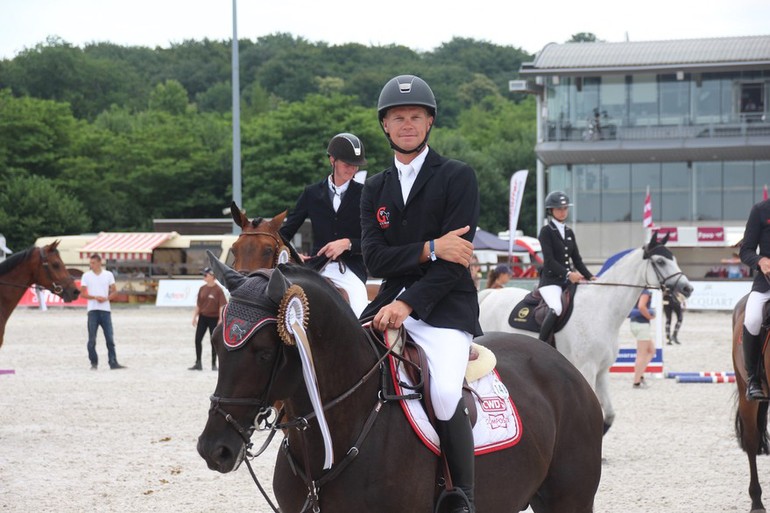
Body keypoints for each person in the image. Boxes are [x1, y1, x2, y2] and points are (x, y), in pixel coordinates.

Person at [360, 74, 480, 513]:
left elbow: (455, 263)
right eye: (397, 117)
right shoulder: (374, 187)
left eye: (415, 116)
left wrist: (408, 301)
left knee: (445, 393)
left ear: (429, 123)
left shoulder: (457, 177)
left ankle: (462, 496)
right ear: (385, 126)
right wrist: (431, 247)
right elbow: (374, 259)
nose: (406, 123)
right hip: (387, 304)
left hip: (446, 309)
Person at [280, 133, 369, 318]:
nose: (352, 169)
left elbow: (375, 239)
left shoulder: (367, 194)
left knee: (361, 314)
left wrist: (348, 244)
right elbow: (285, 233)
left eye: (355, 165)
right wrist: (292, 254)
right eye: (347, 164)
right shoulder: (311, 193)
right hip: (316, 266)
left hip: (350, 268)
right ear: (332, 160)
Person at [536, 191, 595, 341]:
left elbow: (577, 259)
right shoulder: (546, 231)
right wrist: (569, 274)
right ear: (551, 211)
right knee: (556, 308)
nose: (563, 212)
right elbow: (549, 261)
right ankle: (542, 344)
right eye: (559, 209)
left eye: (565, 208)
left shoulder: (569, 232)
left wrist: (590, 276)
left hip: (567, 282)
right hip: (551, 282)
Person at [739, 199, 770, 400]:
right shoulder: (760, 210)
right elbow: (745, 250)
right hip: (766, 283)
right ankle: (753, 379)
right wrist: (760, 260)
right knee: (752, 320)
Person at [80, 254, 125, 370]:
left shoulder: (108, 275)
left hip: (105, 310)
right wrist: (95, 297)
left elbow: (115, 292)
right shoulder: (86, 276)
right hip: (93, 310)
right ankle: (93, 362)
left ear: (100, 263)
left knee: (109, 338)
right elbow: (83, 293)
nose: (91, 265)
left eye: (93, 263)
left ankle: (113, 362)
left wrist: (106, 298)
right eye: (91, 263)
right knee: (92, 339)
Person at [190, 267, 227, 371]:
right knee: (197, 339)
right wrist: (194, 317)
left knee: (213, 341)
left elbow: (221, 305)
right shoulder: (202, 288)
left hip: (214, 318)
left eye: (206, 275)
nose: (204, 277)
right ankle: (198, 363)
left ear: (212, 276)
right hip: (203, 317)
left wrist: (220, 318)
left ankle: (213, 364)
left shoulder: (218, 290)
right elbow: (198, 304)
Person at [629, 289, 656, 388]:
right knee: (642, 353)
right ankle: (636, 381)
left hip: (635, 323)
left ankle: (640, 375)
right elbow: (641, 306)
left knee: (651, 350)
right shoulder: (645, 291)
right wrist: (649, 316)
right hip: (642, 324)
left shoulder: (636, 291)